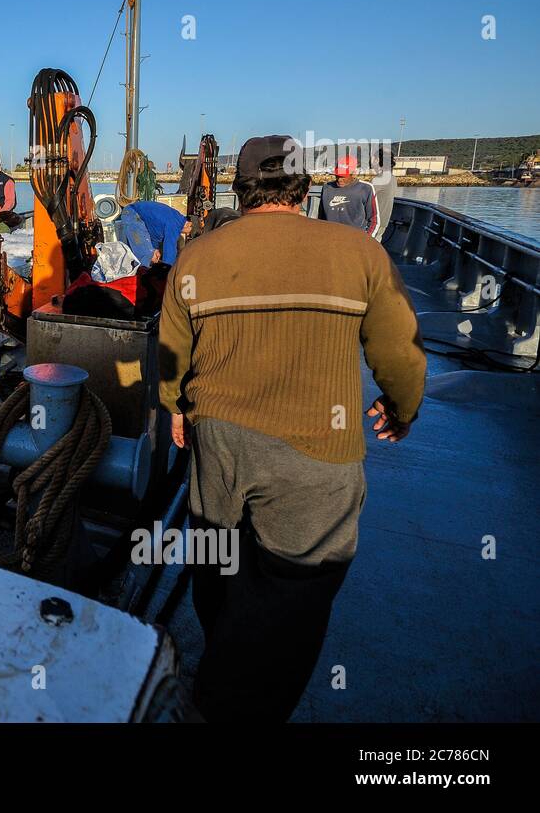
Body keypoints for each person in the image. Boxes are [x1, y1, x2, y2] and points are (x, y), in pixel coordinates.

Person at [159, 135, 426, 722]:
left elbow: (172, 347)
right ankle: (231, 704)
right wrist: (401, 409)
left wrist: (175, 407)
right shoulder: (358, 255)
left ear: (239, 187)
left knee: (216, 554)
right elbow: (402, 353)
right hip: (316, 449)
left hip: (218, 437)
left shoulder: (198, 255)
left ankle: (223, 657)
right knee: (294, 586)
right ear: (305, 187)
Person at [318, 154, 380, 237]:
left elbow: (374, 220)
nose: (339, 179)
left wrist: (366, 240)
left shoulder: (366, 188)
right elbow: (320, 218)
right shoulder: (326, 188)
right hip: (330, 238)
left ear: (353, 174)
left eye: (343, 176)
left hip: (354, 240)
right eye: (337, 176)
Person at [120, 200, 190, 266]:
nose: (187, 234)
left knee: (148, 256)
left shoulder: (173, 220)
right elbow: (170, 249)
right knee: (147, 256)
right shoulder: (175, 223)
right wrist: (167, 270)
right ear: (189, 224)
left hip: (133, 215)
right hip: (132, 214)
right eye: (190, 232)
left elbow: (155, 237)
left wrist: (155, 250)